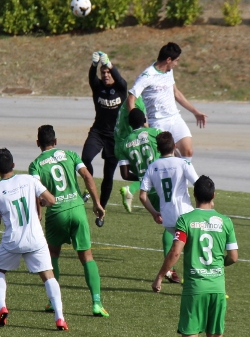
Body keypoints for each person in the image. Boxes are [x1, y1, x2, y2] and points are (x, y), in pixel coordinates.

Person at [152, 175, 238, 337]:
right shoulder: (225, 222)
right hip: (217, 288)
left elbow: (176, 252)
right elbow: (234, 257)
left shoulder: (186, 220)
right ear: (214, 196)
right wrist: (221, 265)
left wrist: (161, 276)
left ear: (194, 195)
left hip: (195, 288)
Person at [29, 124, 110, 317]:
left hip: (57, 212)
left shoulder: (36, 165)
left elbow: (36, 191)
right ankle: (96, 302)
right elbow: (87, 175)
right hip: (77, 210)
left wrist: (38, 213)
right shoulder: (70, 155)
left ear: (38, 143)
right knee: (87, 257)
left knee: (53, 255)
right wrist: (97, 203)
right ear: (56, 141)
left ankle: (52, 301)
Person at [0, 148, 68, 331]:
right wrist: (41, 203)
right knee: (48, 276)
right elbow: (51, 200)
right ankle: (60, 318)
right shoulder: (29, 179)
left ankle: (2, 307)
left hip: (12, 241)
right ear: (14, 165)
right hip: (36, 239)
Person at [127, 42, 208, 163]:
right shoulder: (147, 75)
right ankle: (178, 179)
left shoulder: (169, 71)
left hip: (174, 118)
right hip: (158, 123)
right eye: (176, 61)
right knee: (172, 158)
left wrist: (195, 112)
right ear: (168, 60)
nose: (177, 64)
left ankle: (183, 178)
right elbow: (131, 98)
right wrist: (137, 124)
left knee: (188, 151)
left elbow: (176, 92)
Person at [139, 131, 199, 284]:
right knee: (194, 250)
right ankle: (195, 282)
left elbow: (142, 195)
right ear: (174, 145)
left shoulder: (153, 167)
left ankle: (167, 275)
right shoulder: (183, 163)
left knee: (182, 248)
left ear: (158, 149)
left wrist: (153, 213)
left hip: (168, 218)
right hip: (185, 215)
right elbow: (198, 185)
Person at [81, 51, 127, 209]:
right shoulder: (97, 86)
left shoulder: (121, 88)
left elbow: (120, 79)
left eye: (108, 72)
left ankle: (102, 207)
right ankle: (89, 186)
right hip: (98, 132)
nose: (106, 75)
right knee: (85, 159)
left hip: (114, 137)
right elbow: (91, 77)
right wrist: (94, 65)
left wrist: (109, 64)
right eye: (103, 72)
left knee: (108, 175)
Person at [114, 93, 146, 213]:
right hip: (128, 144)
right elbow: (140, 123)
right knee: (151, 172)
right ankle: (131, 189)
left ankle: (131, 190)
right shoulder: (138, 102)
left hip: (119, 144)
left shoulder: (128, 100)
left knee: (145, 174)